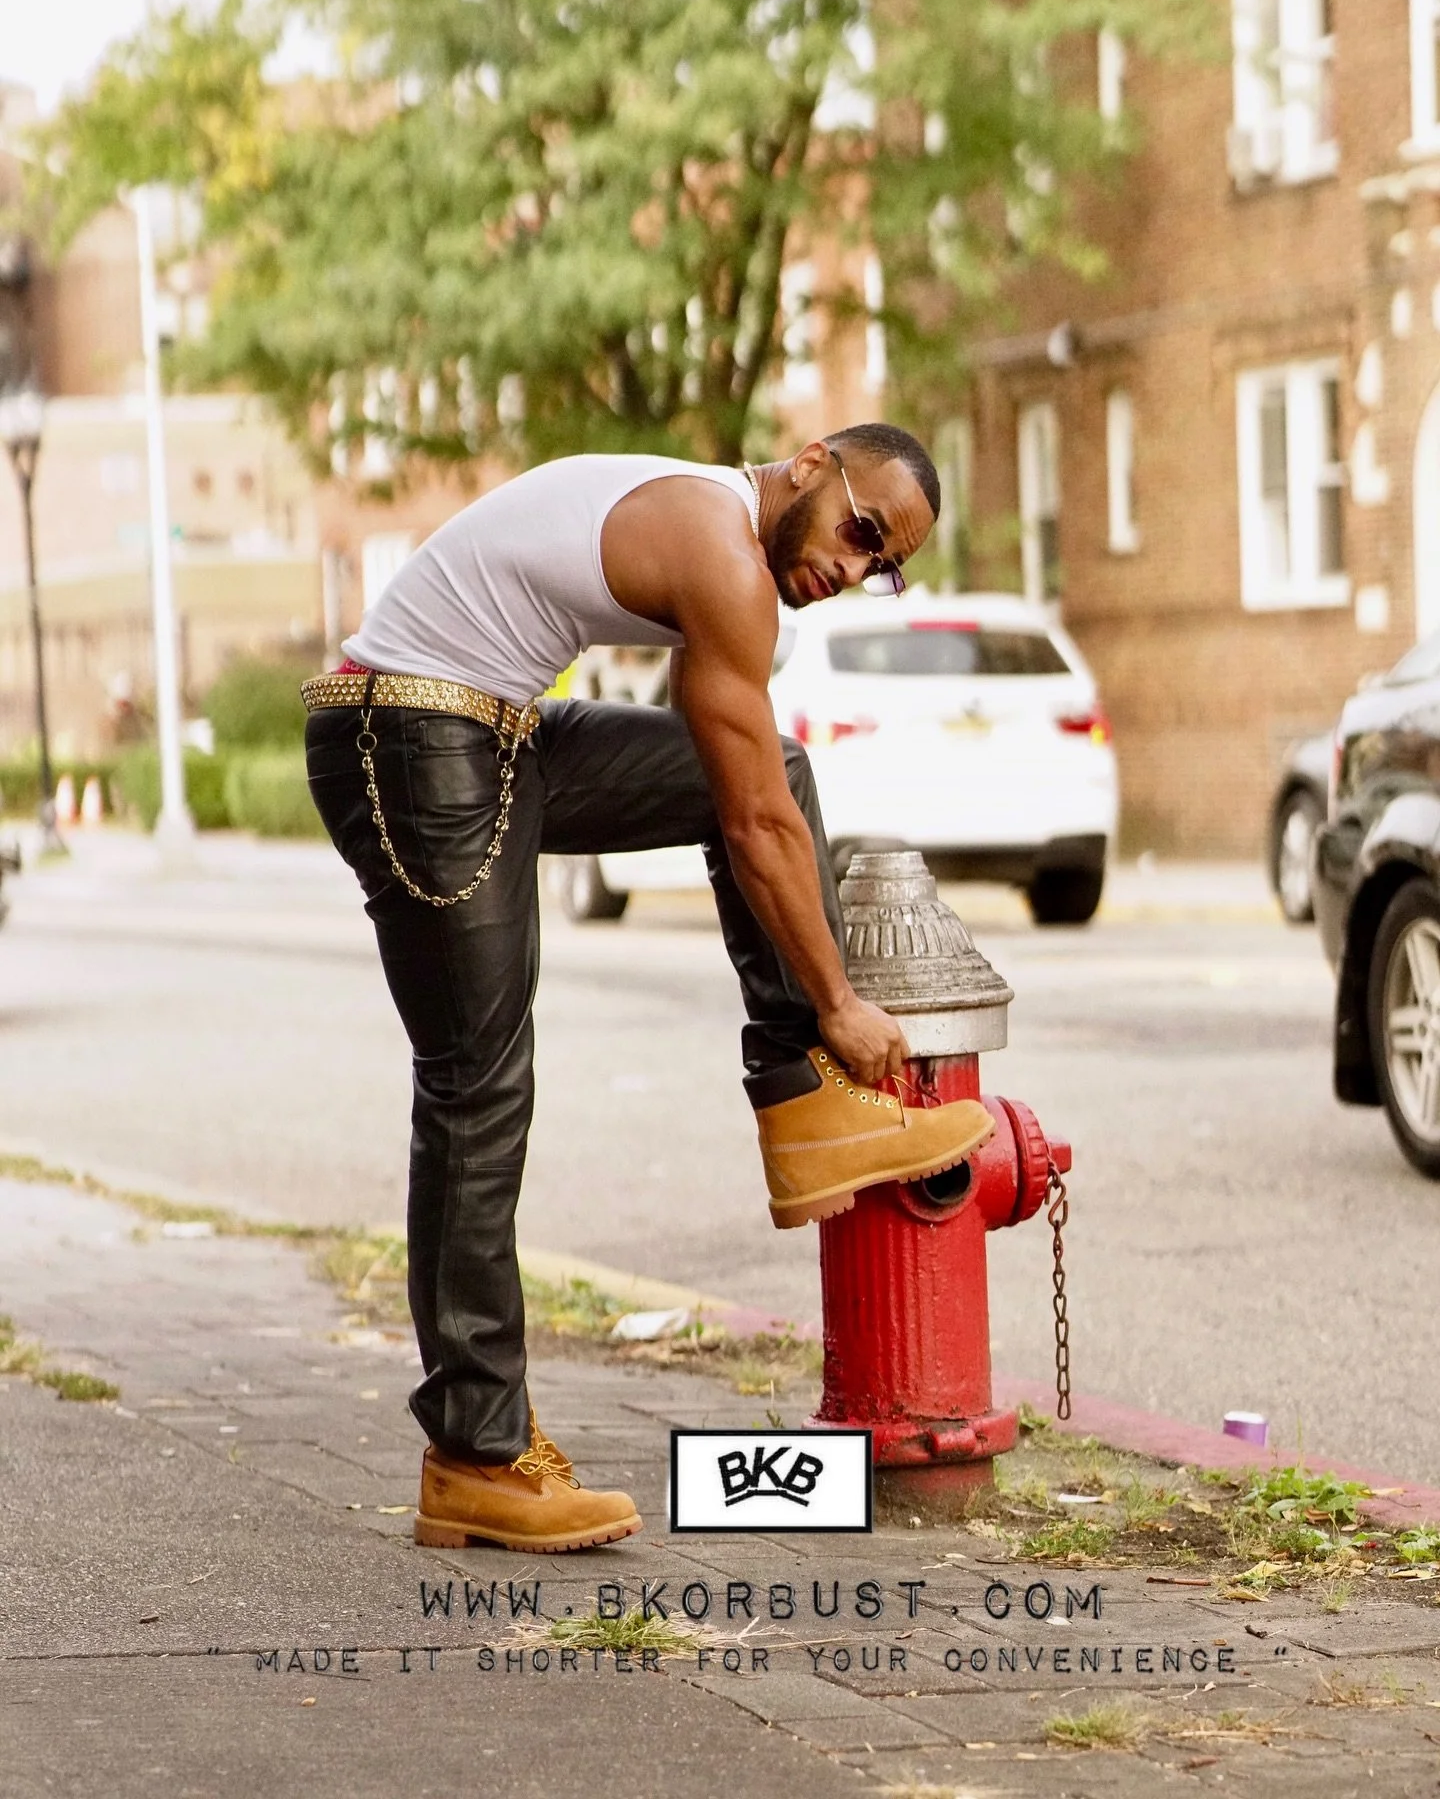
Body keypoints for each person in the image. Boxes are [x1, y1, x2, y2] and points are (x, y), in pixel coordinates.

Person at [303, 425, 995, 1553]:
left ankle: (800, 1100)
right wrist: (842, 1004)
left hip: (491, 731)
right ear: (810, 464)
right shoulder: (721, 553)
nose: (854, 567)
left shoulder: (717, 531)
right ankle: (474, 1453)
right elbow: (756, 826)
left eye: (884, 565)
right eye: (861, 531)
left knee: (778, 761)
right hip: (407, 730)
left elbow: (752, 787)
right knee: (477, 1084)